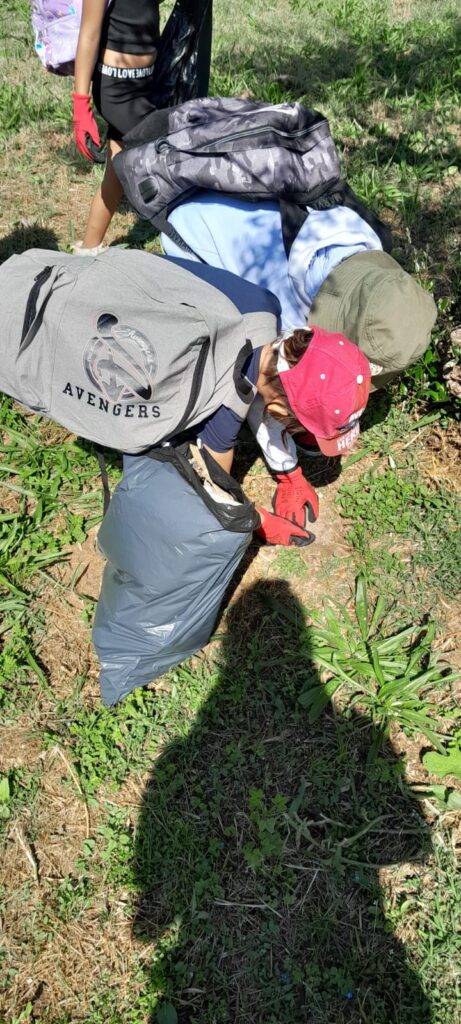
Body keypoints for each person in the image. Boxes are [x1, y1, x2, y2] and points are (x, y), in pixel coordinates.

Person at [157, 257, 372, 546]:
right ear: (279, 410)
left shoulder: (270, 314)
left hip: (145, 272)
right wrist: (254, 520)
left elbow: (268, 382)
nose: (302, 436)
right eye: (301, 429)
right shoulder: (225, 405)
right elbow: (210, 489)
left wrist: (289, 473)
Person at [161, 194, 437, 395]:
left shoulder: (362, 233)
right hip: (188, 237)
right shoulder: (283, 307)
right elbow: (274, 364)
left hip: (227, 202)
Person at [72, 0, 164, 254]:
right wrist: (81, 103)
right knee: (168, 157)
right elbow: (88, 34)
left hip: (143, 82)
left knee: (118, 162)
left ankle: (89, 247)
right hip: (117, 89)